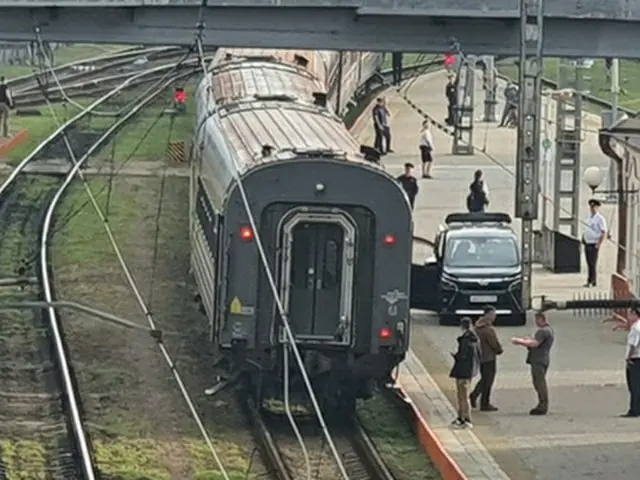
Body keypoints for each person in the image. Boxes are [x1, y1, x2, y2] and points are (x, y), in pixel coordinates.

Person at [511, 312, 555, 415]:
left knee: (539, 383)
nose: (536, 322)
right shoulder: (550, 330)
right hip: (543, 359)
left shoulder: (542, 331)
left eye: (536, 320)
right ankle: (542, 403)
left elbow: (535, 344)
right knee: (539, 382)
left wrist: (519, 341)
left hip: (538, 360)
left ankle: (542, 405)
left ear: (541, 319)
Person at [470, 306, 503, 411]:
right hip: (489, 358)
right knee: (488, 380)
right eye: (493, 315)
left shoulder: (476, 327)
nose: (494, 317)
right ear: (487, 315)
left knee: (484, 379)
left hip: (480, 357)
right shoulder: (488, 330)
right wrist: (499, 350)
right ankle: (484, 403)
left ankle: (474, 396)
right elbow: (494, 344)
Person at [449, 317, 479, 429]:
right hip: (470, 371)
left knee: (462, 395)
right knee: (464, 395)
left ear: (462, 326)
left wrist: (455, 356)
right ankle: (462, 417)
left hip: (463, 371)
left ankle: (465, 419)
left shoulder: (465, 341)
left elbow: (462, 355)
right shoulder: (475, 339)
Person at [582, 198, 607, 287]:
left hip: (594, 244)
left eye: (594, 207)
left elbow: (603, 232)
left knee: (592, 263)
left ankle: (592, 280)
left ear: (597, 207)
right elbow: (586, 230)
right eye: (591, 207)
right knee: (589, 263)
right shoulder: (589, 219)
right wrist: (583, 239)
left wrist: (598, 244)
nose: (592, 208)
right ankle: (591, 280)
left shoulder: (600, 219)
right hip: (587, 243)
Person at [622, 306, 640, 417]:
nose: (628, 317)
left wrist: (628, 358)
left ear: (634, 314)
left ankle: (634, 409)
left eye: (629, 314)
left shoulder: (635, 328)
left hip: (635, 358)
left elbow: (633, 344)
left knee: (634, 385)